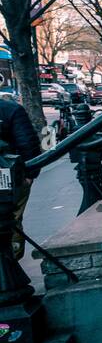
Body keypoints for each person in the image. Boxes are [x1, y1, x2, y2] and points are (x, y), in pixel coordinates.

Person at [0, 99, 41, 260]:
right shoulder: (11, 109)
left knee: (10, 219)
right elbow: (28, 144)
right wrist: (30, 174)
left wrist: (30, 174)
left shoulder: (10, 110)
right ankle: (10, 263)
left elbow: (28, 143)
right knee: (11, 219)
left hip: (10, 176)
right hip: (10, 176)